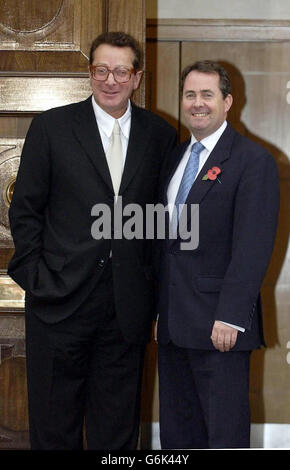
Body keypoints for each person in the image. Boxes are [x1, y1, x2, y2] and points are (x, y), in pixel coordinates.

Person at [8, 31, 177, 450]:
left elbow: (160, 223)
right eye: (101, 69)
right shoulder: (51, 127)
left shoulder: (160, 136)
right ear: (90, 73)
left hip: (127, 310)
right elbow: (25, 211)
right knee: (53, 428)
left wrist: (157, 299)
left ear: (137, 77)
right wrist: (37, 277)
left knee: (117, 431)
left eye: (121, 71)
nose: (110, 80)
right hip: (58, 303)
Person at [155, 60, 280, 449]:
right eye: (190, 95)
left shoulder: (252, 161)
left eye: (207, 94)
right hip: (174, 328)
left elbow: (252, 247)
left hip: (219, 328)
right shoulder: (174, 159)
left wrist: (230, 316)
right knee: (179, 435)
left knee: (223, 435)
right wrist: (161, 311)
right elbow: (168, 245)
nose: (197, 103)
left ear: (227, 101)